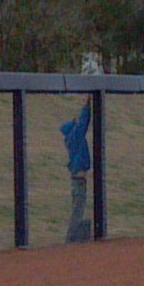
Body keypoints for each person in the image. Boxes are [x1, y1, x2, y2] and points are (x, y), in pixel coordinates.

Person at [62, 99, 92, 243]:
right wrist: (87, 104)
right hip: (79, 181)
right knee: (77, 210)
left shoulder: (71, 140)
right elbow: (83, 121)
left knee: (78, 209)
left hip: (77, 180)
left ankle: (72, 237)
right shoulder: (76, 136)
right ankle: (71, 238)